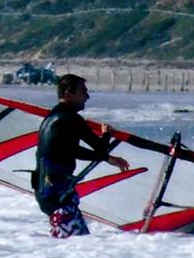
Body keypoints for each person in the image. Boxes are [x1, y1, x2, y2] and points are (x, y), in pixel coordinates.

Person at [33, 73, 129, 238]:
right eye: (83, 91)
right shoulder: (71, 119)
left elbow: (71, 150)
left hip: (46, 192)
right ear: (68, 94)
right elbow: (99, 148)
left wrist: (108, 159)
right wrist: (107, 134)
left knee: (73, 244)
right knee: (75, 243)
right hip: (58, 195)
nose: (87, 96)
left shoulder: (51, 117)